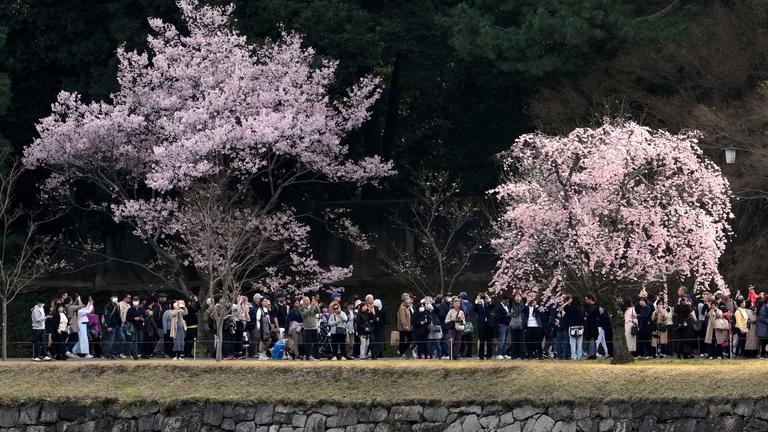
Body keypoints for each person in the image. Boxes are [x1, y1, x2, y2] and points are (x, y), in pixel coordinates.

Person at [563, 296, 585, 360]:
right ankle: (579, 356)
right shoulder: (581, 308)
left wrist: (567, 302)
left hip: (572, 326)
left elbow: (562, 307)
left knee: (572, 342)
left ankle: (574, 356)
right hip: (580, 326)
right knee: (579, 342)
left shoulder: (569, 308)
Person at [475, 293, 495, 360]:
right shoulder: (478, 305)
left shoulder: (488, 304)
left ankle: (489, 355)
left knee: (489, 341)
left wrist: (488, 298)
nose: (483, 298)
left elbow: (492, 306)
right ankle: (481, 356)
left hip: (488, 325)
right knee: (482, 341)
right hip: (481, 325)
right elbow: (475, 309)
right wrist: (477, 300)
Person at [300, 296, 321, 360]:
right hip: (307, 328)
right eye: (306, 300)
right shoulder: (302, 308)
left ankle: (316, 356)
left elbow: (318, 311)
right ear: (303, 302)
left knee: (316, 342)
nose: (307, 301)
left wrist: (316, 305)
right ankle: (308, 356)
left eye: (308, 300)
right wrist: (311, 307)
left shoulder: (312, 306)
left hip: (314, 327)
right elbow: (305, 314)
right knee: (308, 343)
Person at [103, 295, 123, 360]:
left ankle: (114, 352)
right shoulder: (107, 306)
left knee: (122, 338)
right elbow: (106, 317)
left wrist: (120, 323)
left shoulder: (117, 305)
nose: (115, 299)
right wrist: (108, 326)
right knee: (110, 341)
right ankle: (108, 354)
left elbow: (118, 314)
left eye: (116, 298)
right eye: (113, 298)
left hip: (118, 325)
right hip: (111, 326)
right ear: (111, 299)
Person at [396, 294, 413, 359]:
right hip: (403, 328)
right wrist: (406, 326)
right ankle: (401, 352)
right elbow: (403, 318)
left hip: (407, 327)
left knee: (408, 339)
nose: (409, 300)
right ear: (404, 300)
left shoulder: (407, 307)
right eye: (408, 298)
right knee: (404, 340)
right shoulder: (402, 307)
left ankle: (401, 351)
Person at [583, 295, 600, 360]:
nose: (586, 301)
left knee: (592, 339)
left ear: (590, 299)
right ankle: (592, 354)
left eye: (587, 299)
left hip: (592, 325)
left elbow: (588, 313)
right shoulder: (593, 306)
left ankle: (592, 355)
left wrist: (586, 314)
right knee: (592, 339)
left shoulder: (594, 306)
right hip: (592, 325)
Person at [508, 294, 524, 359]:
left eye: (519, 296)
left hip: (521, 325)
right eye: (516, 297)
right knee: (514, 341)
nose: (517, 298)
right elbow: (510, 300)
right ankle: (514, 355)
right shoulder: (512, 305)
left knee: (521, 341)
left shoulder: (523, 305)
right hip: (513, 325)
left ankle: (521, 355)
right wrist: (513, 294)